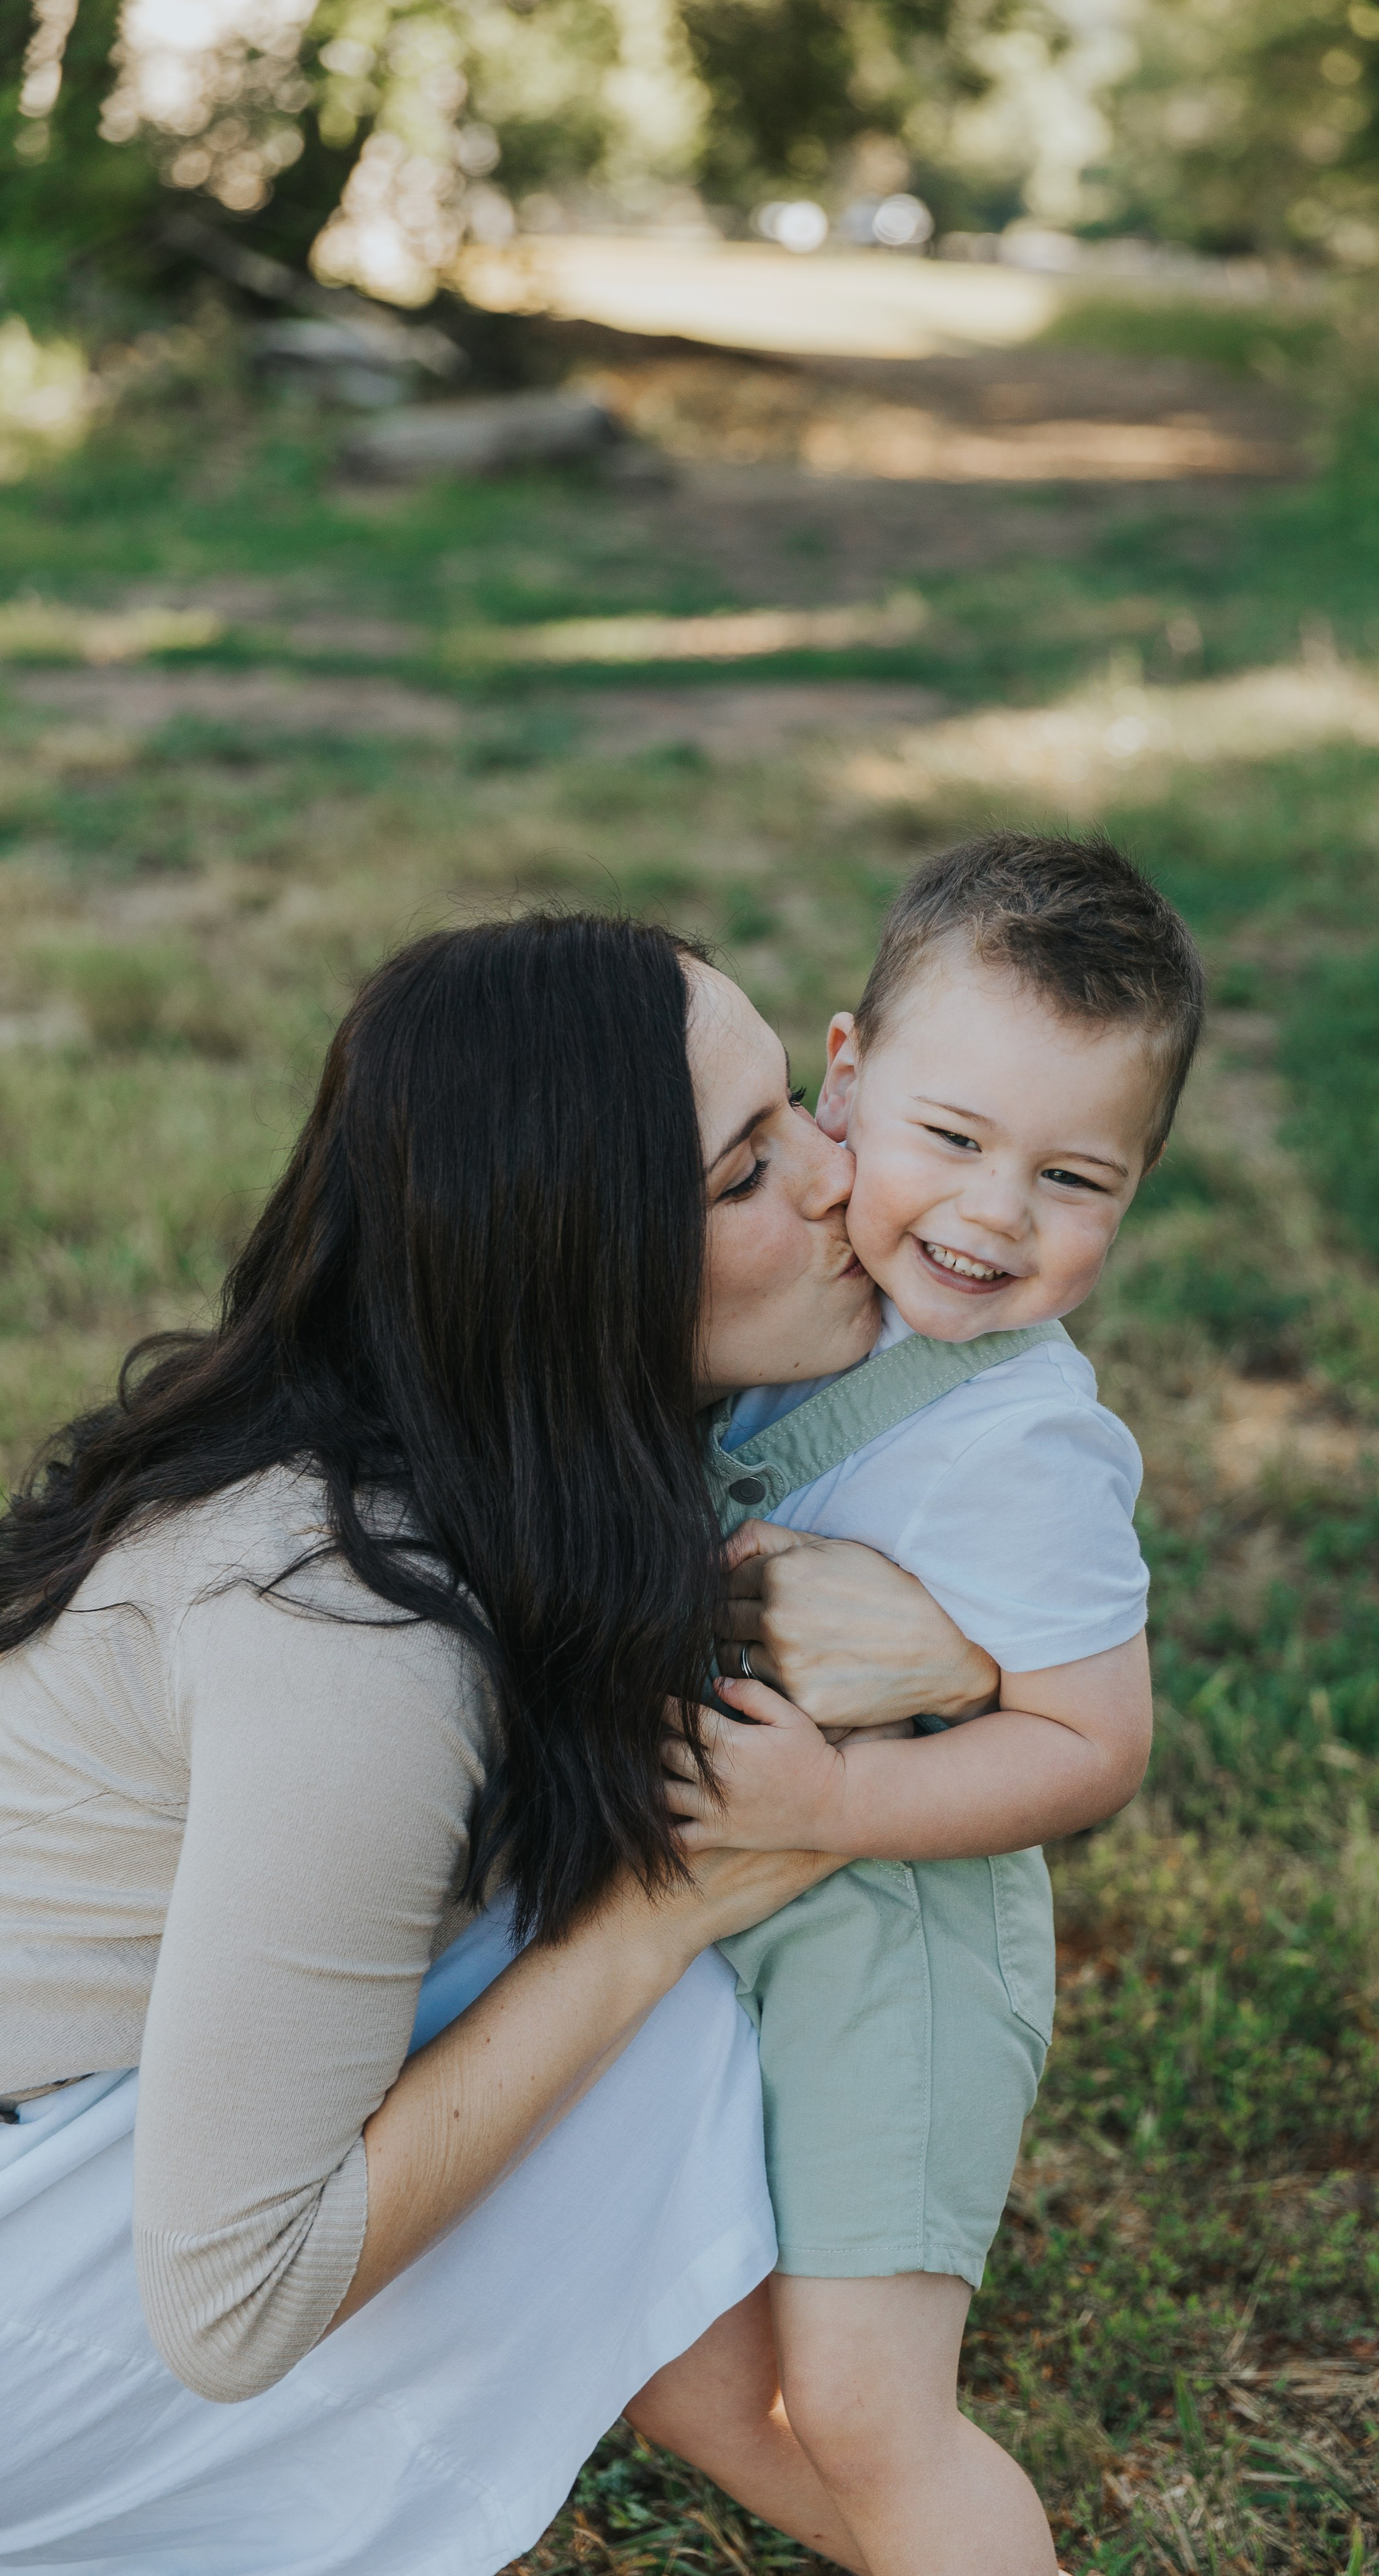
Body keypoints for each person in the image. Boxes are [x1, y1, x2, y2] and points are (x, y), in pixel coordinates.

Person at [0, 912, 997, 2576]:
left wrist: (965, 1648)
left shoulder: (500, 1469)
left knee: (600, 1994)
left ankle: (930, 2518)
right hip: (70, 2268)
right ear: (576, 1268)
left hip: (90, 2161)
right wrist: (655, 1923)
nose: (842, 1179)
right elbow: (232, 2306)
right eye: (744, 1172)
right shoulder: (349, 1629)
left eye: (797, 1116)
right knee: (634, 2007)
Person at [640, 834, 1205, 2576]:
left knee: (874, 2409)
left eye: (1073, 1180)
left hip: (898, 1948)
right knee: (684, 2370)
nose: (988, 1217)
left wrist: (840, 1809)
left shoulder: (1020, 1446)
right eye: (953, 1141)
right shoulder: (783, 1298)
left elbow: (1095, 1742)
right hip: (749, 1923)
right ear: (846, 1076)